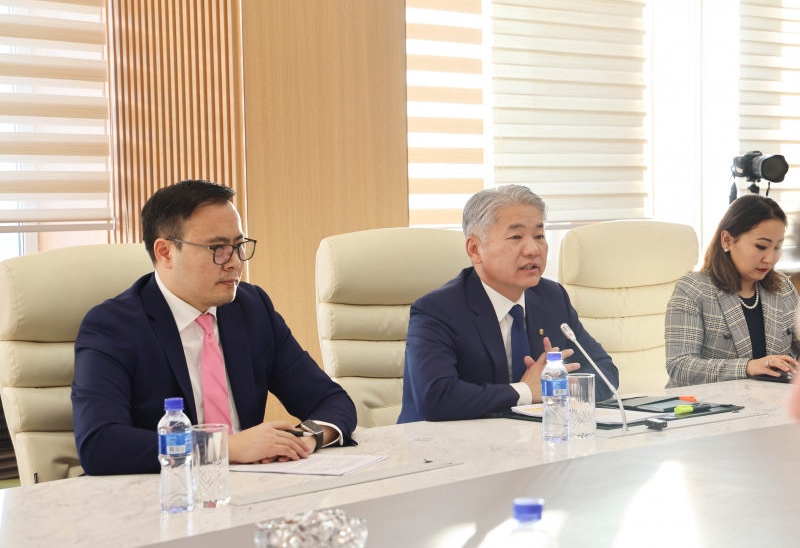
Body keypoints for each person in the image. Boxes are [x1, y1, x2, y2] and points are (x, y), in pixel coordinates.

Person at [72, 180, 357, 475]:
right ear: (165, 252)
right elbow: (100, 444)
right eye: (218, 248)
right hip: (163, 493)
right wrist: (224, 447)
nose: (234, 263)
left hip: (252, 486)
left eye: (238, 246)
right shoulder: (112, 326)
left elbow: (331, 400)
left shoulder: (252, 308)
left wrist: (304, 439)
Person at [397, 185, 619, 423]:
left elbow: (604, 371)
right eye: (516, 237)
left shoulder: (552, 297)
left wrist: (554, 386)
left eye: (539, 236)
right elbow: (436, 398)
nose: (532, 250)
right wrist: (525, 392)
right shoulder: (437, 310)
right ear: (475, 249)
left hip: (530, 439)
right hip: (443, 443)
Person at [665, 194, 800, 387]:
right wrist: (748, 367)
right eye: (761, 246)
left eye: (777, 247)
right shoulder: (693, 289)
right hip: (707, 402)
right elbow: (680, 366)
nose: (770, 259)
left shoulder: (783, 288)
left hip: (770, 399)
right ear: (727, 240)